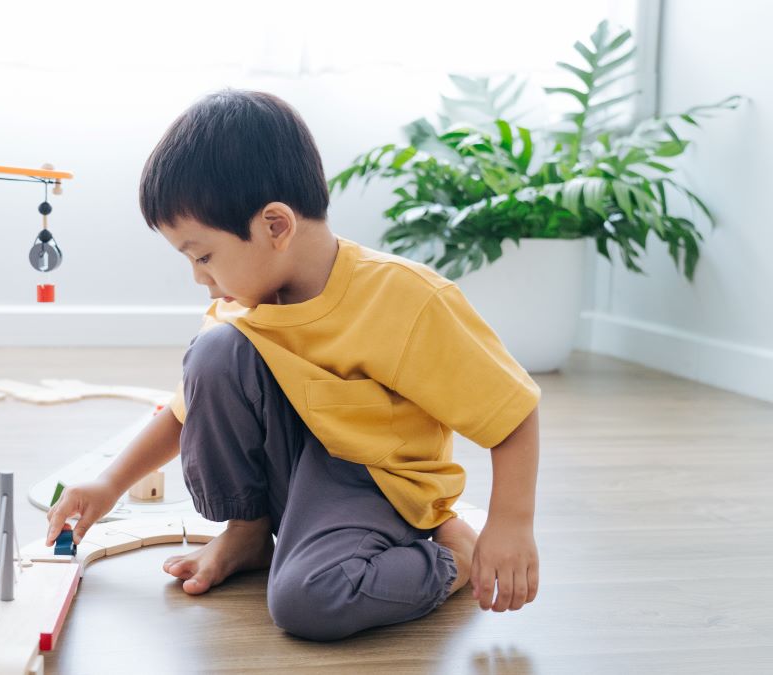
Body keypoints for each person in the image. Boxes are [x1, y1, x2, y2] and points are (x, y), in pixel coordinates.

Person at [46, 90, 541, 641]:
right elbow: (187, 412)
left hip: (376, 487)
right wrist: (110, 484)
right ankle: (249, 532)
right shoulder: (243, 306)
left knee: (309, 602)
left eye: (203, 256)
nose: (199, 278)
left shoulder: (406, 299)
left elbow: (513, 413)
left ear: (276, 226)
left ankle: (453, 560)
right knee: (214, 352)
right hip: (295, 474)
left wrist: (511, 525)